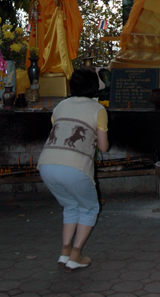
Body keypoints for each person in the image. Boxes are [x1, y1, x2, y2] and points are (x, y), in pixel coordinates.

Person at [38, 68, 109, 270]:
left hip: (46, 165)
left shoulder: (61, 106)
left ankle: (65, 251)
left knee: (71, 206)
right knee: (90, 208)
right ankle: (76, 255)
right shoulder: (98, 109)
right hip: (74, 167)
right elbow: (103, 147)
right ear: (95, 86)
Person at [28, 0, 83, 79]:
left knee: (59, 48)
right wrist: (36, 4)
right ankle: (43, 69)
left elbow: (71, 1)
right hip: (44, 26)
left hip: (58, 22)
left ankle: (61, 68)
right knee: (43, 49)